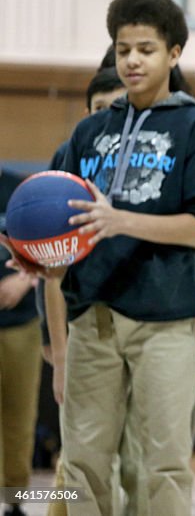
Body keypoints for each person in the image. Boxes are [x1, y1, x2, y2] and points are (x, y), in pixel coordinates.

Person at [29, 0, 195, 516]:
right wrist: (42, 254)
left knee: (164, 461)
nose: (132, 61)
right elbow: (66, 219)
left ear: (173, 53)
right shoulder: (89, 131)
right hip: (91, 317)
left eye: (145, 49)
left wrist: (121, 220)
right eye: (123, 50)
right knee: (82, 460)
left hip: (164, 319)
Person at [37, 66, 130, 516]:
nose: (106, 120)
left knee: (137, 463)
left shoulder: (144, 174)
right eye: (98, 109)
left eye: (118, 109)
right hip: (86, 335)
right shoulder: (67, 166)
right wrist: (59, 356)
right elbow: (52, 277)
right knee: (80, 463)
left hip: (144, 335)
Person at [0, 167, 37, 516]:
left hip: (20, 321)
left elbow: (44, 246)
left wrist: (24, 279)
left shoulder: (20, 188)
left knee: (18, 415)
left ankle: (14, 502)